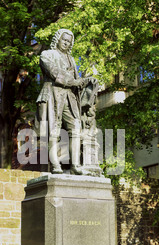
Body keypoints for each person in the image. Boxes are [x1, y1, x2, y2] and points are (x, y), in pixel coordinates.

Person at [35, 29, 91, 174]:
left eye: (69, 41)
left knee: (75, 128)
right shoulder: (47, 55)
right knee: (53, 130)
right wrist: (75, 82)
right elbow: (55, 73)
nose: (66, 43)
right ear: (58, 40)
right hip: (53, 94)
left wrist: (86, 82)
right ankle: (55, 165)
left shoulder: (71, 59)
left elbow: (76, 80)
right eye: (64, 40)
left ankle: (75, 166)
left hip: (69, 97)